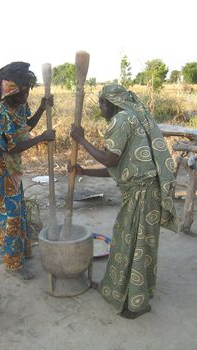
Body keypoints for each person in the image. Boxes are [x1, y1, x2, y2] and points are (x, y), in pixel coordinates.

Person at [69, 83, 177, 319]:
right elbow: (119, 166)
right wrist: (84, 171)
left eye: (101, 103)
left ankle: (135, 304)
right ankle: (126, 291)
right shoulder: (134, 118)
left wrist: (81, 139)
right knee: (136, 242)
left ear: (110, 104)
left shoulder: (122, 120)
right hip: (146, 190)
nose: (100, 107)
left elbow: (109, 158)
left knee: (133, 244)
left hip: (142, 192)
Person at [0, 62, 55, 280]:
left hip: (11, 165)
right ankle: (12, 263)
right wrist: (42, 139)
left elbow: (25, 128)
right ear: (9, 91)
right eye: (22, 91)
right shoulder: (1, 112)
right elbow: (12, 145)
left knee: (18, 209)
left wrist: (42, 109)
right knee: (10, 214)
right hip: (0, 167)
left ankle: (21, 253)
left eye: (27, 90)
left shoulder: (19, 106)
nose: (26, 94)